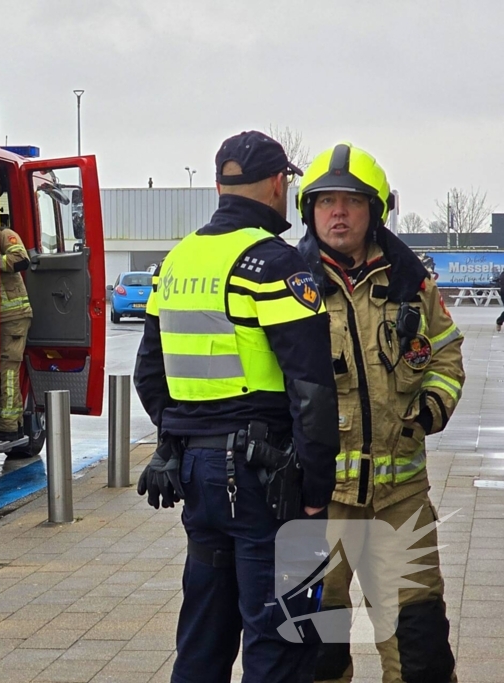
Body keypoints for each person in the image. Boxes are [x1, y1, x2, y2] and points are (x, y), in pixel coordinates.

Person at [135, 130, 340, 683]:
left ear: (221, 185)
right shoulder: (275, 265)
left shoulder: (178, 260)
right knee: (285, 641)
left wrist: (181, 438)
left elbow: (149, 377)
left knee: (203, 637)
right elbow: (312, 391)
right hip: (268, 484)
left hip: (199, 478)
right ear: (278, 184)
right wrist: (316, 494)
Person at [296, 143, 464, 683]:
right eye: (325, 202)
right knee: (312, 655)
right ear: (309, 212)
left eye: (351, 201)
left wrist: (434, 404)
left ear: (376, 210)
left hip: (402, 503)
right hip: (314, 508)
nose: (338, 213)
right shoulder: (287, 287)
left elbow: (446, 351)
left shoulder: (413, 285)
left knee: (421, 655)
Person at [0, 217, 33, 445]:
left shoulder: (4, 235)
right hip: (0, 318)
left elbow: (21, 260)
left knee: (8, 369)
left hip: (14, 317)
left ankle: (9, 426)